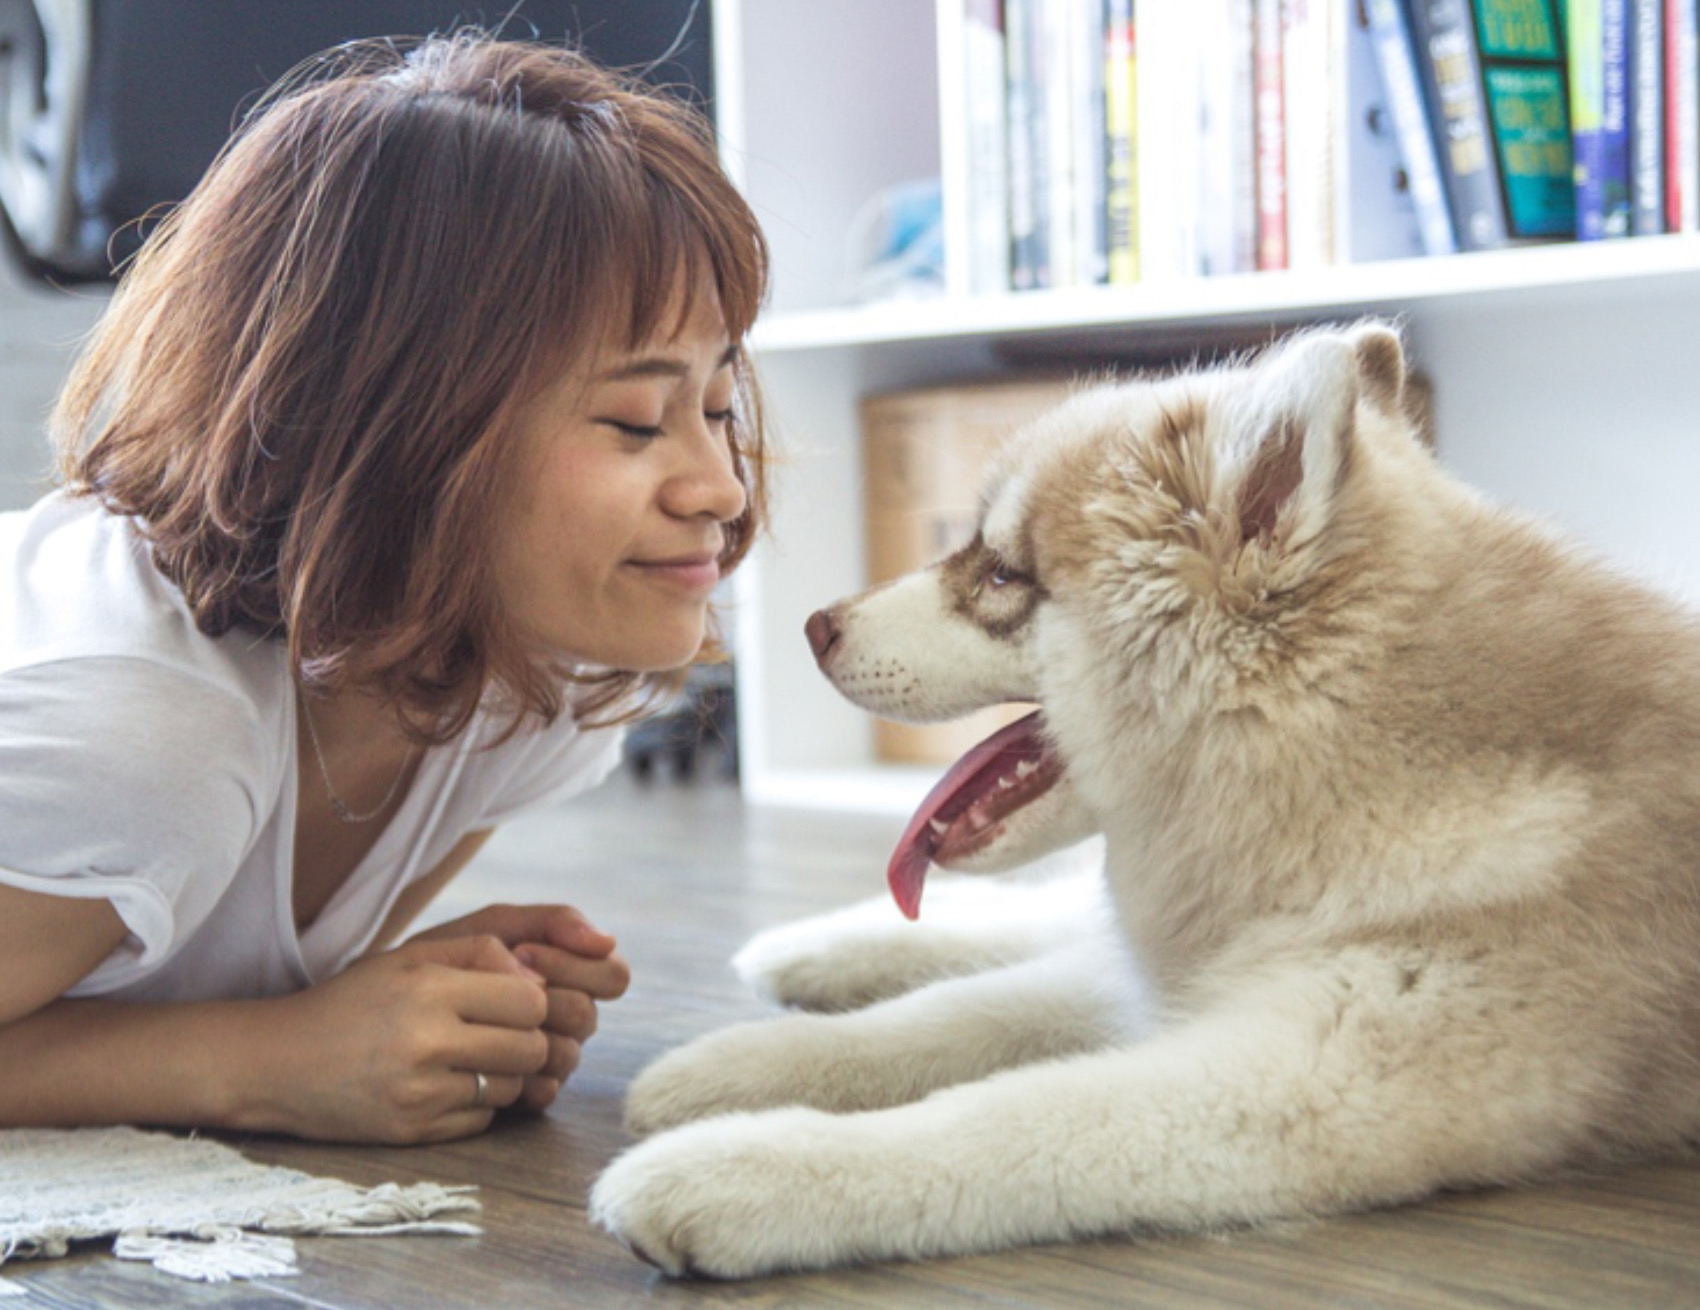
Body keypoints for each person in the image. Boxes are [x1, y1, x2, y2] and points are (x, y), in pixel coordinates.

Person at [0, 30, 769, 1145]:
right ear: (394, 433)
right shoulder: (146, 736)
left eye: (714, 406)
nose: (719, 488)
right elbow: (248, 1037)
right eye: (634, 422)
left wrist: (412, 1009)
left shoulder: (532, 676)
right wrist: (260, 1061)